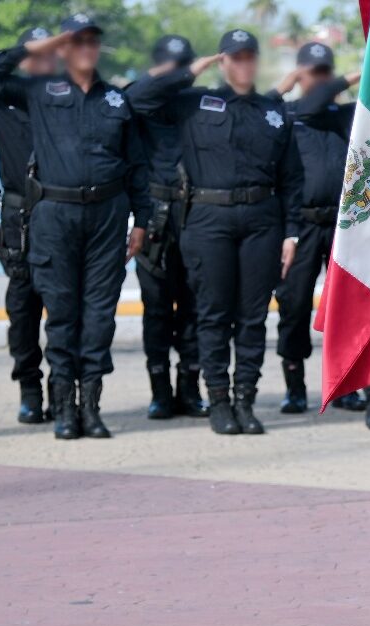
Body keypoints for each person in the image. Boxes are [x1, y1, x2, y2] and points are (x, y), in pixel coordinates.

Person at [0, 15, 152, 440]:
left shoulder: (116, 100)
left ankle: (91, 405)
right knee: (62, 314)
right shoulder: (39, 91)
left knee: (98, 315)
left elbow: (138, 168)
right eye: (78, 41)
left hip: (107, 217)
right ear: (64, 50)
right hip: (55, 215)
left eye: (92, 41)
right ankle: (63, 407)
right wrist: (36, 48)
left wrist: (142, 222)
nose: (87, 48)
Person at [125, 30, 303, 436]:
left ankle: (246, 401)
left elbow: (292, 179)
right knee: (213, 314)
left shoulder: (272, 112)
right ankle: (219, 401)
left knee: (253, 317)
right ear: (223, 62)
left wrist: (291, 233)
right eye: (233, 58)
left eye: (248, 57)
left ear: (256, 62)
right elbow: (138, 99)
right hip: (208, 218)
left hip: (261, 220)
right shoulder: (193, 103)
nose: (242, 65)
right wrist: (189, 71)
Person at [268, 42, 370, 424]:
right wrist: (345, 78)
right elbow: (288, 105)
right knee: (295, 305)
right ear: (300, 73)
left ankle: (344, 386)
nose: (321, 80)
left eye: (326, 72)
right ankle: (295, 386)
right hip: (302, 225)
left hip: (343, 223)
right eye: (314, 72)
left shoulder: (347, 114)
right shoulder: (289, 112)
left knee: (346, 311)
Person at [0, 26, 56, 425]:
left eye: (49, 52)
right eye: (36, 54)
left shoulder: (66, 97)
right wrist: (21, 49)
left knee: (65, 308)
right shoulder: (1, 96)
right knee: (23, 310)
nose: (44, 60)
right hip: (20, 214)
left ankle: (63, 389)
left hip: (61, 212)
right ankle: (29, 389)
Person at [131, 35, 206, 421]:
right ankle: (160, 391)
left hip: (196, 214)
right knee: (157, 308)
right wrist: (176, 74)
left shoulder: (198, 102)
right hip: (156, 216)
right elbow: (140, 93)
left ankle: (190, 389)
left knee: (194, 308)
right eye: (174, 67)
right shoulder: (142, 102)